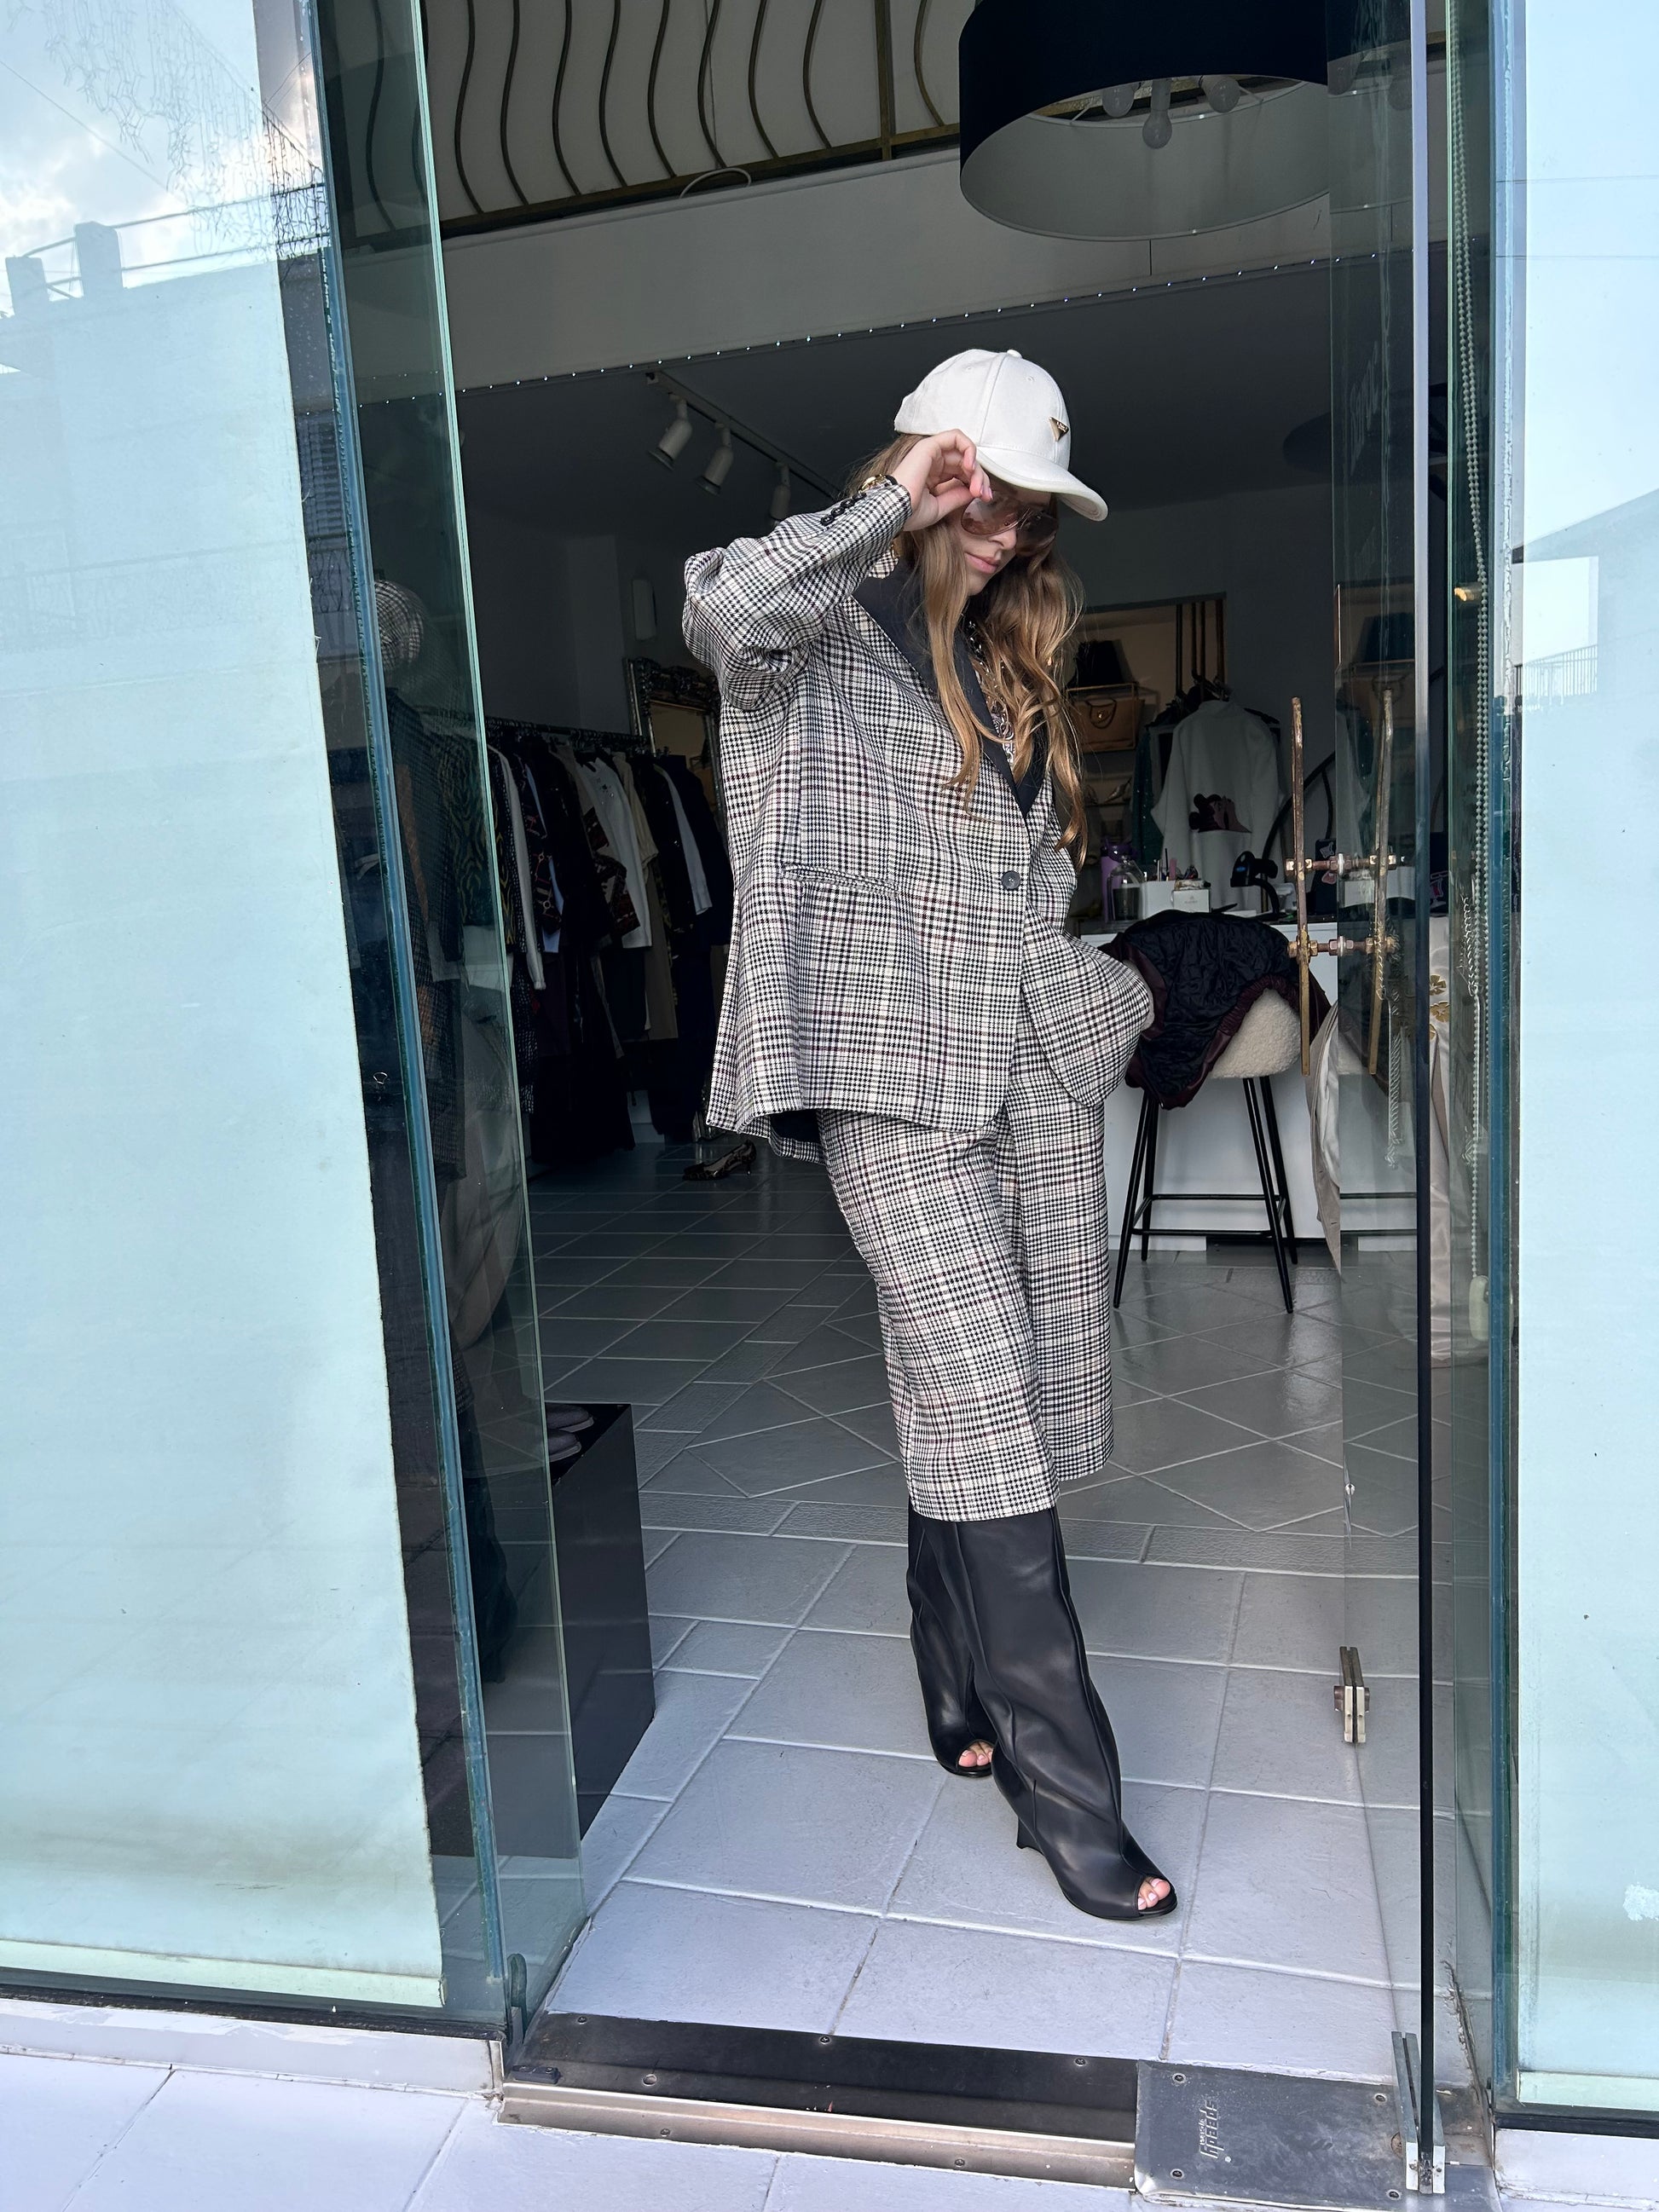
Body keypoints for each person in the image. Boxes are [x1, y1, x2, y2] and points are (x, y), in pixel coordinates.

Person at [683, 349, 1173, 1919]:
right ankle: (1062, 1782)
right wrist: (892, 500)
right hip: (885, 1075)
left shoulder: (1012, 676)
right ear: (923, 468)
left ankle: (947, 1663)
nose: (1007, 528)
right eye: (985, 493)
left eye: (1029, 509)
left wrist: (1110, 1001)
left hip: (1023, 1071)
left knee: (1013, 1382)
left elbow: (1029, 901)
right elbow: (719, 609)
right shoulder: (810, 634)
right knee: (973, 1375)